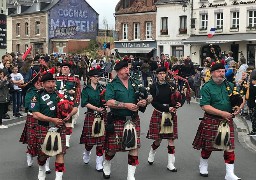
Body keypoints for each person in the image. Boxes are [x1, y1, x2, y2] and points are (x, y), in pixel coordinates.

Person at [192, 63, 242, 180]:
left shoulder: (229, 85)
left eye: (223, 71)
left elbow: (238, 100)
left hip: (227, 120)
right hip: (212, 119)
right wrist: (222, 113)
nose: (221, 74)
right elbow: (205, 106)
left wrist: (237, 108)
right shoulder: (207, 87)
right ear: (212, 73)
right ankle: (203, 165)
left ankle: (229, 174)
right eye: (219, 71)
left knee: (229, 146)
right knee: (208, 146)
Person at [103, 59, 148, 180]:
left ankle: (130, 175)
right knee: (112, 149)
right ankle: (107, 162)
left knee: (134, 147)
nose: (127, 70)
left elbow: (148, 96)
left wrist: (144, 101)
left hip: (133, 119)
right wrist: (126, 105)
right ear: (118, 71)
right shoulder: (112, 85)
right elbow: (109, 102)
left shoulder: (135, 82)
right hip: (118, 119)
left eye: (128, 68)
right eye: (124, 68)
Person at [30, 72, 66, 180]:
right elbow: (35, 114)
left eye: (53, 82)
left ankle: (58, 177)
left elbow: (71, 108)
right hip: (44, 127)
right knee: (43, 155)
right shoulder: (37, 95)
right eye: (48, 82)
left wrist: (69, 114)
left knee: (60, 153)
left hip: (59, 128)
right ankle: (41, 169)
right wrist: (51, 119)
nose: (51, 84)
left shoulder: (60, 95)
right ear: (43, 84)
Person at [146, 67, 181, 172]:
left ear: (166, 74)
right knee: (158, 139)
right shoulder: (153, 87)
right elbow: (153, 102)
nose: (162, 75)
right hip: (159, 112)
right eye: (160, 73)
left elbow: (179, 97)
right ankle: (152, 151)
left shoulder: (172, 86)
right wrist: (167, 108)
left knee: (171, 139)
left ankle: (170, 163)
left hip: (170, 114)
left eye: (163, 73)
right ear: (157, 75)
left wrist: (179, 104)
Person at [80, 66, 106, 171]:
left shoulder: (102, 88)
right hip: (91, 115)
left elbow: (107, 100)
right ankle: (86, 152)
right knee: (90, 141)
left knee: (101, 141)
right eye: (95, 77)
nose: (97, 78)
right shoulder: (86, 89)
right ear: (90, 78)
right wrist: (96, 108)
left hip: (102, 115)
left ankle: (99, 163)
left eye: (98, 77)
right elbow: (84, 103)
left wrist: (106, 104)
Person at [55, 62, 81, 148]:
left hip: (70, 103)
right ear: (61, 69)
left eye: (66, 67)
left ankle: (66, 141)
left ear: (69, 69)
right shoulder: (56, 77)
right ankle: (57, 138)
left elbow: (78, 92)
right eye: (63, 67)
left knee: (68, 121)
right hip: (57, 102)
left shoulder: (74, 78)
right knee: (57, 121)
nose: (65, 69)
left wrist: (76, 104)